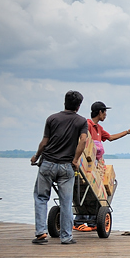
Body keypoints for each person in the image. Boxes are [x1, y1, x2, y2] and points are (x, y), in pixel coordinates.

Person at [30, 90, 89, 245]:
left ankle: (41, 233)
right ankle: (66, 236)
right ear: (78, 106)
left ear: (64, 102)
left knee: (41, 198)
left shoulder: (52, 118)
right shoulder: (81, 121)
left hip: (47, 163)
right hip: (66, 166)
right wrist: (76, 159)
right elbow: (83, 141)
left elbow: (44, 142)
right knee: (66, 201)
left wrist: (36, 156)